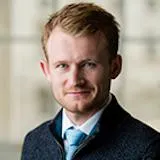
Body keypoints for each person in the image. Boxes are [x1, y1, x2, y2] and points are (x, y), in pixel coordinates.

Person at [21, 2, 160, 160]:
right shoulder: (34, 142)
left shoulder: (148, 149)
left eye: (88, 65)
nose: (74, 80)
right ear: (46, 71)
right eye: (62, 65)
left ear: (115, 67)